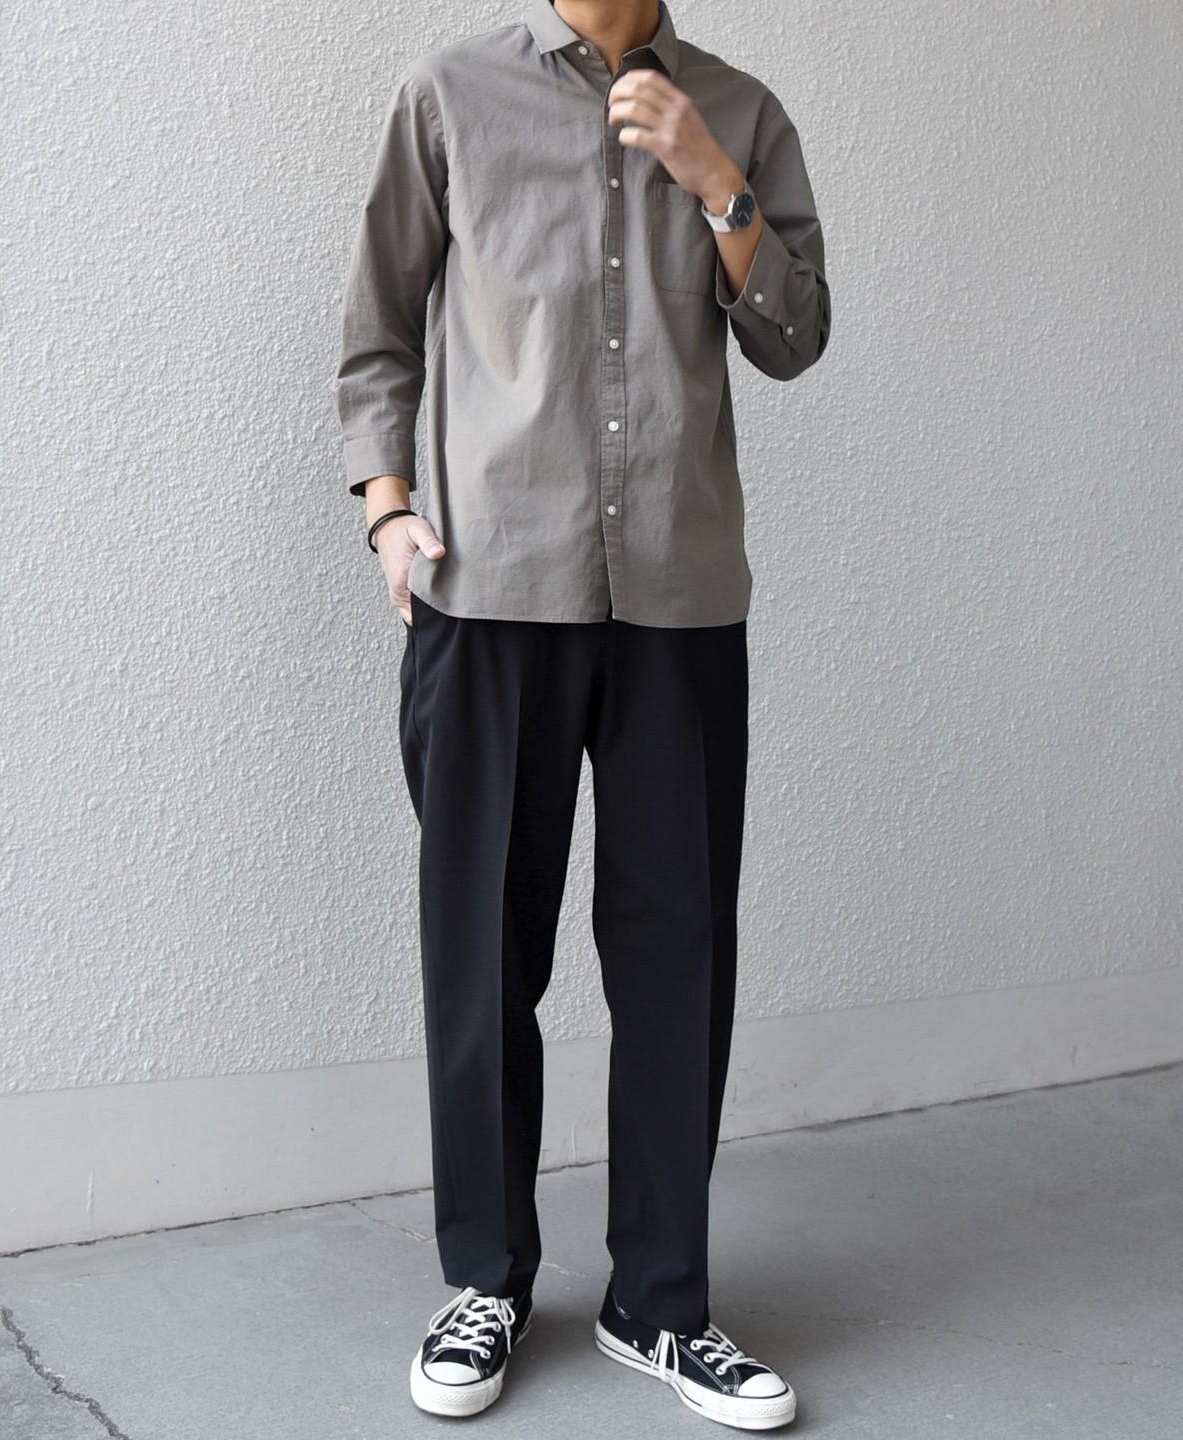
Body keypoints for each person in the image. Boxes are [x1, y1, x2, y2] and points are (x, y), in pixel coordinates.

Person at [333, 0, 829, 1428]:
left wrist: (713, 179)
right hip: (493, 585)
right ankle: (485, 1278)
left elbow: (796, 334)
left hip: (678, 593)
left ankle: (661, 1302)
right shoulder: (449, 94)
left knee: (678, 954)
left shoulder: (739, 108)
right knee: (484, 948)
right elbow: (379, 327)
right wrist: (387, 515)